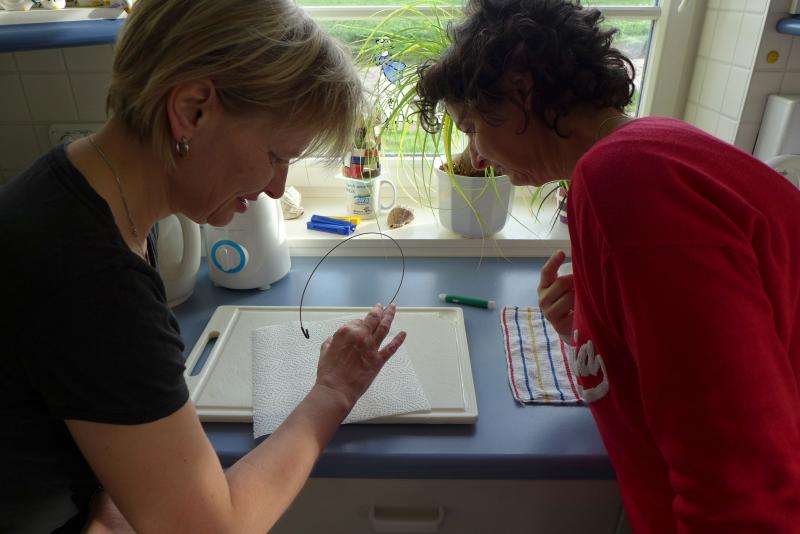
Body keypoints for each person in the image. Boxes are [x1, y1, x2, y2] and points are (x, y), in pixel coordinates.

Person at [0, 0, 407, 532]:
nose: (278, 187)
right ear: (192, 110)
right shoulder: (94, 280)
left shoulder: (78, 188)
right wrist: (334, 391)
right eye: (276, 156)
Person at [416, 0, 800, 531]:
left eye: (471, 126)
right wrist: (592, 331)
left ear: (521, 90)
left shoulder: (627, 178)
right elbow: (697, 354)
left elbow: (744, 484)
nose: (475, 155)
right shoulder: (653, 146)